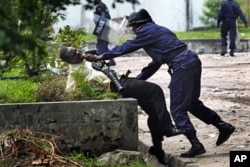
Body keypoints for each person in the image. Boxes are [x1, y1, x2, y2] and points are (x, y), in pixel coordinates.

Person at [84, 8, 236, 158]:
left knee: (177, 109)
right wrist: (138, 80)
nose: (133, 30)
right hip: (191, 60)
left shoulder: (145, 32)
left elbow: (126, 47)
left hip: (181, 65)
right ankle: (223, 126)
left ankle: (196, 145)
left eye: (133, 27)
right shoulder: (158, 30)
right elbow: (155, 63)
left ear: (138, 25)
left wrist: (101, 57)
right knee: (191, 103)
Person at [59, 46, 185, 165]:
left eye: (75, 50)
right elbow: (70, 93)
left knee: (154, 113)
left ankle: (157, 149)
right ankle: (167, 127)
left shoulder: (87, 58)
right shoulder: (75, 72)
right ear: (69, 61)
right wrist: (92, 91)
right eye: (73, 54)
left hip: (120, 80)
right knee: (155, 90)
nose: (77, 53)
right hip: (117, 87)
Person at [93, 0, 116, 66]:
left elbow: (103, 17)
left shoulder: (99, 6)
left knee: (100, 45)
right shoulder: (103, 5)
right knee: (104, 45)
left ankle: (101, 61)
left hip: (102, 27)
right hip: (105, 27)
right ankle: (111, 60)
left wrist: (99, 29)